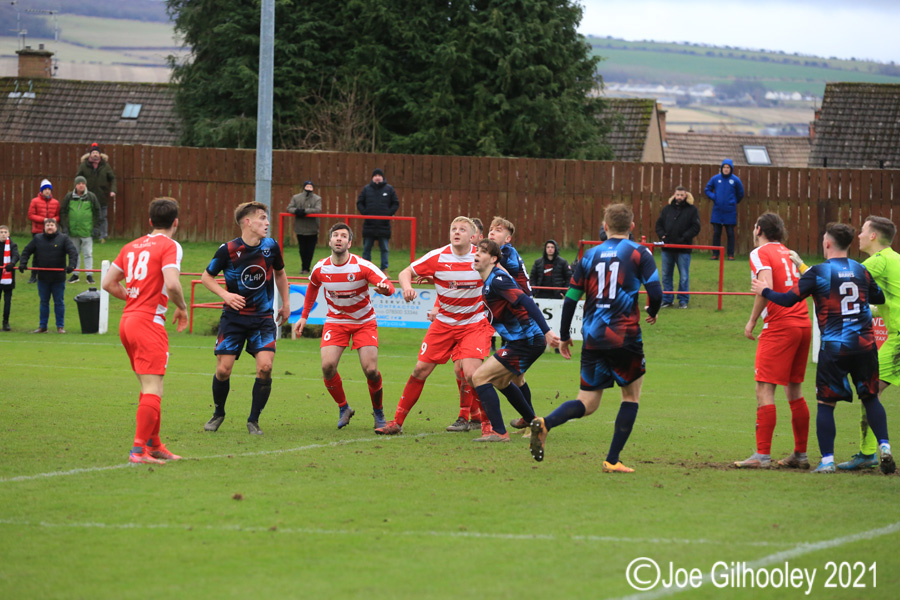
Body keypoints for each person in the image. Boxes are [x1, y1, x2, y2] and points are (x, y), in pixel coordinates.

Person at [751, 223, 895, 475]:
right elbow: (879, 298)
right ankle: (884, 447)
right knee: (871, 397)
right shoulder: (861, 270)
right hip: (865, 345)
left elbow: (787, 300)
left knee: (826, 404)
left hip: (835, 348)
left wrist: (764, 290)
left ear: (827, 243)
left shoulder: (817, 272)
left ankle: (827, 460)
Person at [529, 203, 662, 472]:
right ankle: (612, 460)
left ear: (605, 227)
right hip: (624, 336)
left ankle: (546, 423)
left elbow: (570, 299)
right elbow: (657, 293)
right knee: (630, 397)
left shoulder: (589, 256)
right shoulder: (640, 253)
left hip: (592, 336)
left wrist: (566, 335)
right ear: (632, 227)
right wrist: (653, 310)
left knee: (587, 402)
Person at [375, 217, 492, 436]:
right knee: (420, 370)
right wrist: (407, 287)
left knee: (472, 374)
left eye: (462, 229)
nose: (456, 232)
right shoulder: (437, 256)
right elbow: (404, 273)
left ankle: (488, 426)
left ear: (473, 236)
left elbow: (497, 279)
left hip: (473, 325)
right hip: (444, 324)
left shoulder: (480, 257)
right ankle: (397, 422)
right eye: (453, 229)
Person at [101, 197, 189, 465]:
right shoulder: (170, 245)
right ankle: (138, 451)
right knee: (153, 387)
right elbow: (172, 285)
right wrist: (182, 308)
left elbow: (108, 283)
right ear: (176, 222)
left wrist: (133, 299)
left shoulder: (130, 246)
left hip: (128, 322)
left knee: (151, 386)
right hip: (148, 323)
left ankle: (154, 444)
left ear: (150, 221)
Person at [201, 202, 290, 435]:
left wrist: (286, 304)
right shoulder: (228, 250)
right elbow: (206, 276)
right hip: (234, 319)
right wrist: (225, 295)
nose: (267, 223)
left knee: (265, 367)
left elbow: (280, 273)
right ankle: (218, 412)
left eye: (266, 218)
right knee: (223, 370)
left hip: (262, 319)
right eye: (262, 218)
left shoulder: (271, 247)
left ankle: (253, 420)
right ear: (247, 222)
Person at [294, 223, 395, 429]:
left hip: (364, 322)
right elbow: (312, 287)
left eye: (343, 236)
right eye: (335, 235)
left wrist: (384, 289)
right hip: (336, 322)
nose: (339, 239)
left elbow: (389, 287)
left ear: (349, 243)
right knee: (327, 366)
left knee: (371, 370)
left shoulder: (362, 266)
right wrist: (304, 317)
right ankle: (344, 408)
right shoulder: (320, 268)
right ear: (329, 241)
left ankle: (378, 412)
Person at [466, 239, 560, 442]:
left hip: (528, 339)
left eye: (482, 252)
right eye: (476, 251)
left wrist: (547, 331)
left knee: (479, 377)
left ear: (492, 259)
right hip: (520, 341)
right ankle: (535, 423)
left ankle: (499, 433)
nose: (477, 254)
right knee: (500, 381)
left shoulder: (499, 280)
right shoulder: (489, 282)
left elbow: (526, 300)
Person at [737, 213, 811, 469]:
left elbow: (764, 287)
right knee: (795, 390)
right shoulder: (789, 252)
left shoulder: (760, 252)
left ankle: (762, 455)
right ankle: (800, 455)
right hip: (803, 323)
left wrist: (752, 320)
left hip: (780, 326)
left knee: (764, 388)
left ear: (758, 229)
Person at [830, 216, 900, 470]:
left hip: (899, 340)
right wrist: (870, 310)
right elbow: (892, 303)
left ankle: (869, 453)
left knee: (871, 392)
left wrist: (805, 270)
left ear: (873, 236)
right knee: (871, 392)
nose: (858, 235)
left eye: (862, 231)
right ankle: (870, 452)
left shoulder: (879, 261)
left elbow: (843, 278)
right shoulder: (895, 259)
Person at [487, 216, 535, 431]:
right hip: (515, 319)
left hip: (522, 319)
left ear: (507, 238)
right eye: (490, 229)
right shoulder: (499, 255)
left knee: (508, 376)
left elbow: (506, 280)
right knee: (517, 376)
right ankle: (530, 420)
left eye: (497, 230)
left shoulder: (506, 254)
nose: (491, 232)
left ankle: (531, 420)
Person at [19, 218, 77, 333]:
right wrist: (23, 263)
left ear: (56, 227)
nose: (50, 227)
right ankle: (42, 326)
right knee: (44, 302)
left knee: (59, 302)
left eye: (52, 225)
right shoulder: (37, 238)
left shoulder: (63, 238)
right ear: (44, 227)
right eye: (48, 225)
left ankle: (60, 327)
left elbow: (72, 252)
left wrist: (72, 265)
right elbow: (26, 251)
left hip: (58, 278)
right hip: (43, 277)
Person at [655, 186, 701, 308]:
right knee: (665, 275)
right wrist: (662, 236)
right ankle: (667, 298)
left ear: (686, 195)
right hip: (667, 247)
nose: (679, 197)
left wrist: (684, 237)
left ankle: (683, 300)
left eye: (681, 195)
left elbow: (695, 227)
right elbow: (658, 224)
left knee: (684, 276)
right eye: (677, 195)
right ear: (674, 195)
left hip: (683, 248)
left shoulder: (692, 210)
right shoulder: (667, 209)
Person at [357, 168, 399, 273]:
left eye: (379, 175)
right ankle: (366, 269)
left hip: (383, 225)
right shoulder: (366, 189)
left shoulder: (389, 189)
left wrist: (388, 214)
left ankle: (384, 269)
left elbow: (395, 203)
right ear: (372, 177)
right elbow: (359, 202)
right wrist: (365, 213)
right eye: (375, 175)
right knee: (366, 249)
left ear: (382, 177)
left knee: (384, 249)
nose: (377, 177)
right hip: (369, 224)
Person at [60, 175, 100, 284]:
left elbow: (97, 212)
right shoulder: (69, 197)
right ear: (75, 185)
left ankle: (89, 275)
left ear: (85, 185)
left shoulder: (91, 197)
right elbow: (63, 211)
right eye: (79, 183)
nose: (81, 185)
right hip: (73, 231)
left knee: (88, 253)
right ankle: (75, 274)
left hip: (87, 231)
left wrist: (96, 227)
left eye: (83, 183)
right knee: (74, 253)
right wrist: (65, 227)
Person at [76, 142, 116, 243]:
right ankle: (89, 236)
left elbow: (113, 178)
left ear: (99, 155)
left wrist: (113, 190)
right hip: (87, 196)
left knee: (102, 217)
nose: (95, 154)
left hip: (102, 196)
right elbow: (78, 178)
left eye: (96, 153)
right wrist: (79, 190)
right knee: (87, 217)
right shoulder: (84, 165)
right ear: (90, 155)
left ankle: (103, 236)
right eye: (93, 153)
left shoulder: (105, 166)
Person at [704, 159, 744, 261]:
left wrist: (733, 201)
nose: (726, 169)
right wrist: (714, 197)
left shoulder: (735, 180)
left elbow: (740, 193)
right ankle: (715, 254)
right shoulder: (715, 179)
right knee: (716, 232)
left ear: (731, 169)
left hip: (730, 211)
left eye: (728, 168)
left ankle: (730, 254)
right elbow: (707, 189)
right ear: (721, 168)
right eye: (724, 167)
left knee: (730, 233)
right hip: (717, 210)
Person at [26, 179, 60, 283]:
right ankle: (33, 275)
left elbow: (58, 215)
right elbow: (30, 215)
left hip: (52, 231)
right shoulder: (34, 201)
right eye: (45, 189)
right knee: (37, 253)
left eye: (49, 189)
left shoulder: (56, 202)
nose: (47, 191)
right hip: (38, 231)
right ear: (41, 190)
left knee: (53, 252)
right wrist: (43, 220)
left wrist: (54, 220)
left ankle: (52, 274)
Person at [286, 180, 322, 275]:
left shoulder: (317, 198)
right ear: (304, 187)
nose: (309, 188)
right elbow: (289, 208)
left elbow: (318, 209)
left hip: (312, 228)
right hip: (300, 228)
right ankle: (304, 267)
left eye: (311, 186)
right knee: (302, 249)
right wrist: (297, 211)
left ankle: (307, 268)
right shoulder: (296, 197)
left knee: (310, 250)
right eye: (307, 186)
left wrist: (305, 211)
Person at [0, 225, 20, 331]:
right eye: (1, 232)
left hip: (8, 277)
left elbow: (16, 255)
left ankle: (5, 322)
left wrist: (12, 263)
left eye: (5, 232)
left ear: (8, 234)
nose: (3, 234)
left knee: (7, 301)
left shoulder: (12, 245)